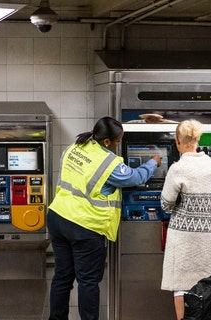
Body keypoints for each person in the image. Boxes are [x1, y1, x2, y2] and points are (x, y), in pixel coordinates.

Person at [47, 116, 162, 320]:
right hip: (85, 226)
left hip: (58, 217)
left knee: (62, 277)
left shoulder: (74, 147)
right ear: (107, 141)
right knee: (88, 282)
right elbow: (136, 177)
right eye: (118, 141)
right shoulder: (108, 163)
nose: (119, 145)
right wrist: (153, 162)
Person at [160, 119, 211, 320]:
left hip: (184, 238)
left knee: (181, 287)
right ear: (198, 139)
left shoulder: (178, 168)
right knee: (205, 286)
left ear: (178, 140)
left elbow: (166, 204)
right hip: (207, 238)